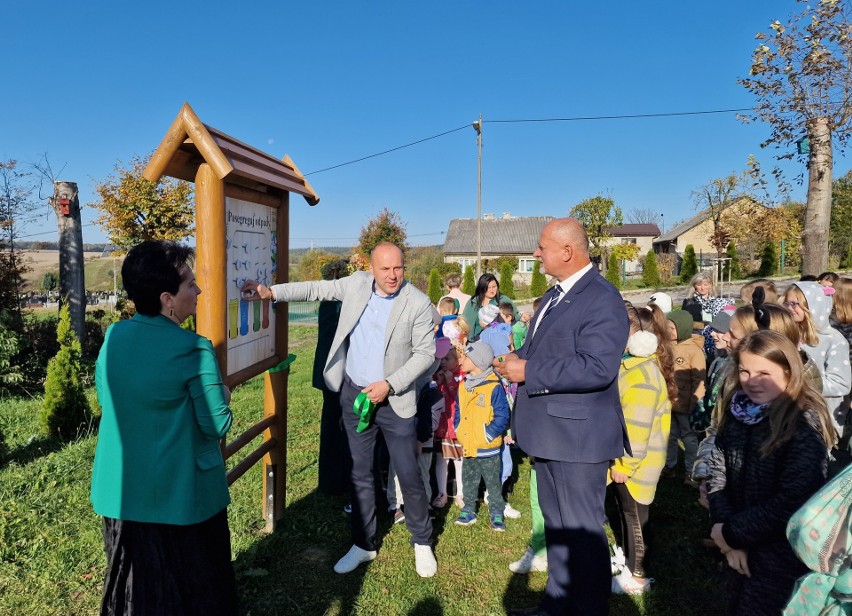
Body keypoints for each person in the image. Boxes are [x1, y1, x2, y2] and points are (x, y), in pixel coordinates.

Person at [240, 242, 438, 578]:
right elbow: (316, 289)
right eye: (385, 269)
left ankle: (422, 541)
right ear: (371, 269)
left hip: (394, 401)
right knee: (360, 473)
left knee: (408, 473)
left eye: (398, 268)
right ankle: (364, 544)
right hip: (354, 396)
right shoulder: (356, 284)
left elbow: (425, 354)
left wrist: (389, 384)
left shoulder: (417, 303)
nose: (392, 276)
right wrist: (270, 292)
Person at [90, 240, 237, 615]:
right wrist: (222, 391)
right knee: (191, 594)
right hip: (183, 499)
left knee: (137, 596)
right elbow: (215, 423)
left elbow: (108, 400)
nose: (199, 290)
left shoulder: (114, 336)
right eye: (190, 283)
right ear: (167, 299)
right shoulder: (194, 349)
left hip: (122, 496)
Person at [495, 218, 629, 616]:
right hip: (553, 434)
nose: (536, 254)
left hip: (578, 438)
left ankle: (585, 608)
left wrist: (528, 372)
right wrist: (522, 359)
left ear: (567, 251)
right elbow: (555, 353)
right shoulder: (557, 295)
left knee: (582, 535)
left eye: (541, 247)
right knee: (557, 527)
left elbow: (597, 368)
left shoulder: (601, 298)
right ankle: (557, 604)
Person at [707, 330, 834, 615]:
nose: (752, 381)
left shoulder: (802, 422)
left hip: (780, 555)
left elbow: (794, 499)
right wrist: (727, 537)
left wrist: (731, 532)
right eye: (744, 371)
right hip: (737, 542)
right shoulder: (737, 411)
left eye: (764, 372)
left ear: (789, 372)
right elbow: (717, 472)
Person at [610, 304, 675, 595]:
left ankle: (638, 576)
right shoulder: (631, 367)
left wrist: (625, 465)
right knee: (626, 512)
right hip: (629, 462)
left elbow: (637, 429)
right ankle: (628, 561)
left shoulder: (641, 376)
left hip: (636, 464)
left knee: (635, 517)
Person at [387, 338, 450, 524]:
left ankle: (424, 504)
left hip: (423, 443)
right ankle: (395, 504)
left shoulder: (433, 393)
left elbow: (431, 420)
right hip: (401, 438)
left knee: (422, 471)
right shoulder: (406, 384)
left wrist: (421, 440)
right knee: (396, 470)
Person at [453, 339, 511, 531]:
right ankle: (469, 509)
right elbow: (459, 412)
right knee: (469, 479)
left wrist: (488, 434)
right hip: (469, 444)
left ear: (477, 360)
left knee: (493, 481)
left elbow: (502, 415)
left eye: (465, 356)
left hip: (488, 447)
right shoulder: (463, 386)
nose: (461, 360)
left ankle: (496, 511)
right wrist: (458, 429)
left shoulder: (493, 386)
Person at [783, 281, 852, 432]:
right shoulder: (790, 335)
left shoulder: (834, 340)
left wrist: (802, 385)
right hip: (791, 412)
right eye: (787, 303)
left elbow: (841, 384)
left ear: (813, 305)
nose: (789, 308)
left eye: (795, 304)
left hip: (820, 418)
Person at [662, 310, 706, 484]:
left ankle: (691, 471)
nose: (669, 331)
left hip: (686, 404)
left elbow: (699, 380)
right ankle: (670, 466)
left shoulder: (693, 351)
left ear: (683, 328)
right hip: (669, 401)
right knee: (670, 435)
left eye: (672, 328)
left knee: (688, 438)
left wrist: (695, 401)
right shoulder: (669, 346)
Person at [433, 343, 465, 509]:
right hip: (442, 426)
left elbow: (460, 398)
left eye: (448, 358)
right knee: (441, 459)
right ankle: (442, 492)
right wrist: (439, 382)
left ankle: (460, 493)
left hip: (457, 426)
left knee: (459, 460)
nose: (444, 362)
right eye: (441, 359)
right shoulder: (437, 375)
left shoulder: (461, 376)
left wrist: (451, 381)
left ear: (458, 360)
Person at [461, 273, 519, 341]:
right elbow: (463, 322)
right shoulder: (473, 302)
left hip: (498, 341)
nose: (492, 290)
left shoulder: (503, 300)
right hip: (474, 341)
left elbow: (516, 317)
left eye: (494, 287)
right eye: (488, 288)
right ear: (482, 288)